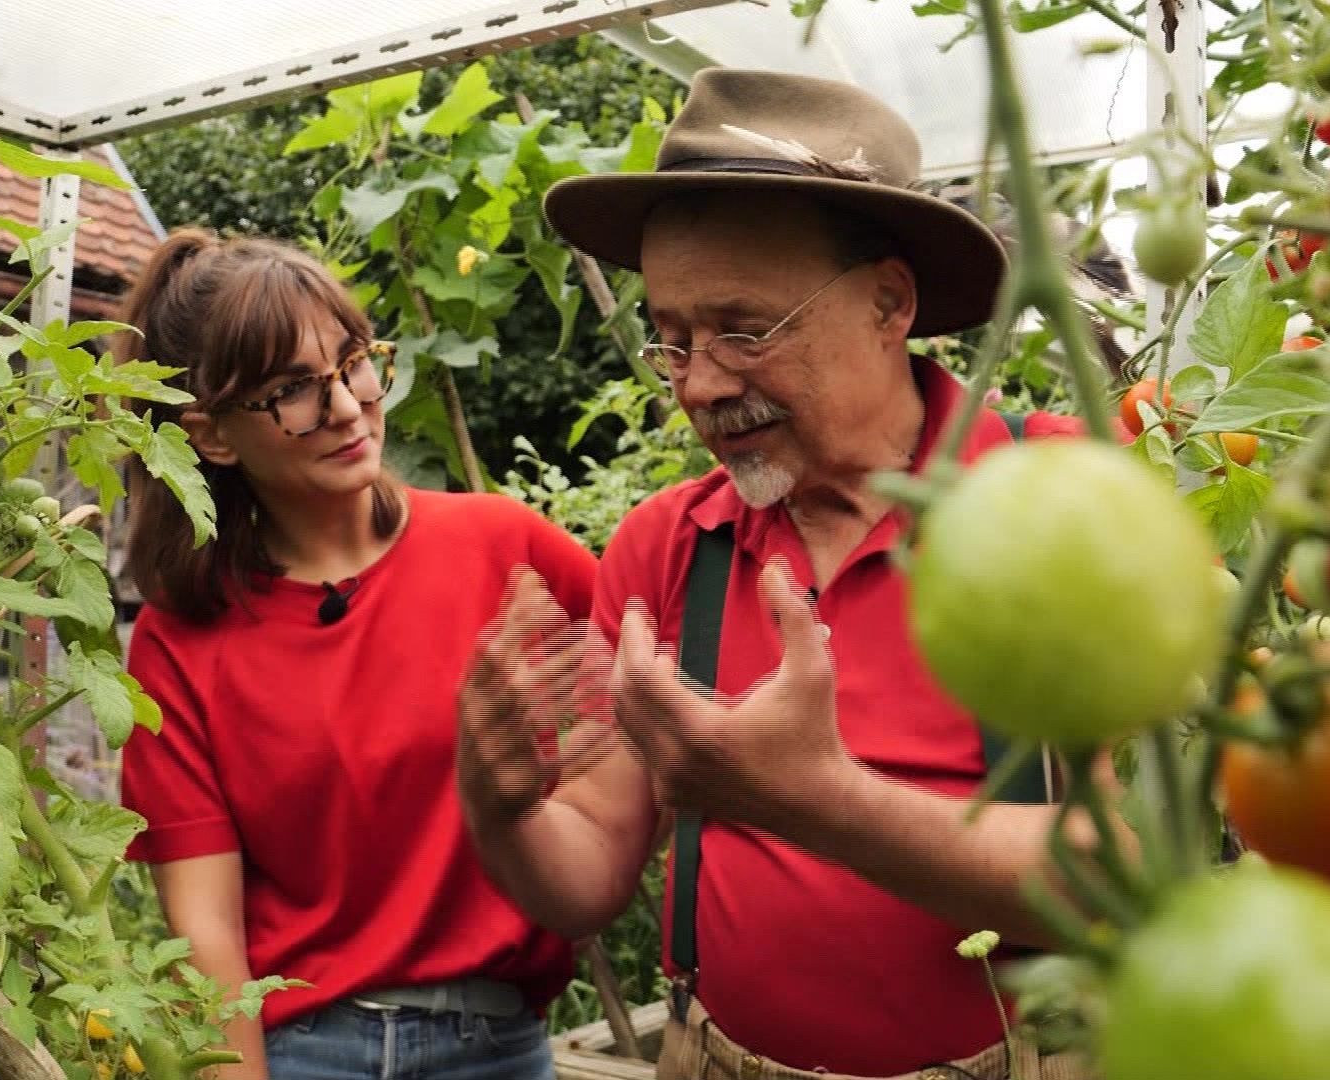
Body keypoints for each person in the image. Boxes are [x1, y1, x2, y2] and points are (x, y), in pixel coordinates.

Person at [455, 69, 1111, 1080]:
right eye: (671, 342)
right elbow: (585, 873)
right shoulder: (665, 549)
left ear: (889, 303)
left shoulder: (1063, 495)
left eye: (744, 329)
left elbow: (1137, 868)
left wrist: (815, 801)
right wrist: (500, 806)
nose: (703, 384)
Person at [113, 229, 601, 1080]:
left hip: (500, 1048)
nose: (347, 407)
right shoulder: (179, 645)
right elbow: (208, 939)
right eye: (292, 392)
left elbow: (667, 688)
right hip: (306, 1054)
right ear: (214, 437)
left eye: (353, 364)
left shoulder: (503, 549)